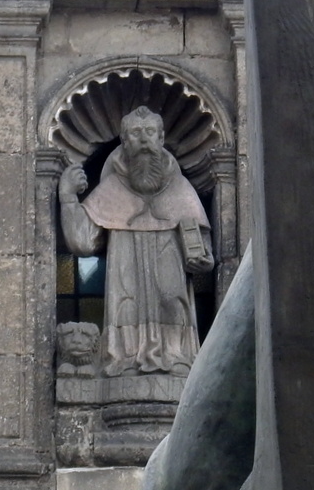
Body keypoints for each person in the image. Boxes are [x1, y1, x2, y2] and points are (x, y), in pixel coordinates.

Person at [59, 106, 214, 377]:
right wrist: (68, 198)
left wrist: (203, 259)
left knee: (172, 300)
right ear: (124, 141)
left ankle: (178, 356)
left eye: (149, 133)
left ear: (161, 138)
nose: (143, 140)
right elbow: (82, 242)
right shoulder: (112, 189)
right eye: (135, 134)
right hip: (126, 275)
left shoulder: (181, 190)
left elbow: (203, 248)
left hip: (169, 267)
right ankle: (124, 359)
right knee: (125, 305)